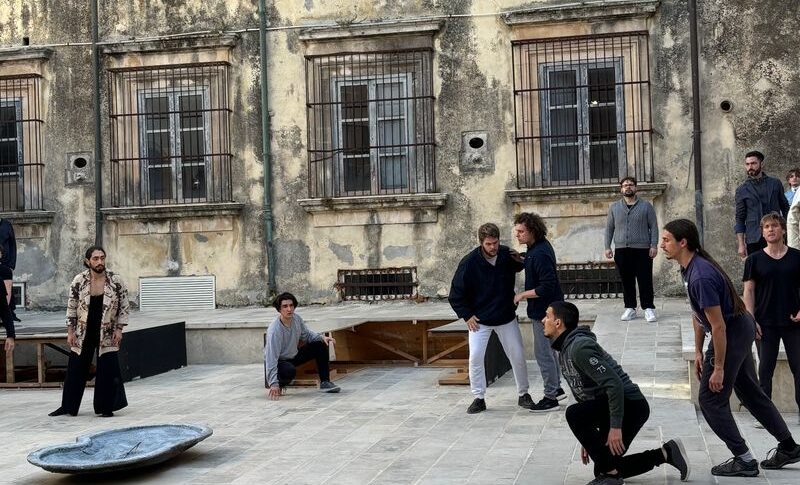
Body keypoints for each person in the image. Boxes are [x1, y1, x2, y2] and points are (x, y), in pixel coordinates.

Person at [661, 219, 800, 477]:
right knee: (750, 393)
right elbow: (698, 314)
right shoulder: (688, 268)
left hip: (731, 332)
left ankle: (745, 460)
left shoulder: (700, 275)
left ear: (683, 243)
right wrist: (699, 351)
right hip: (735, 328)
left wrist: (719, 368)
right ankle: (790, 447)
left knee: (711, 400)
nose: (661, 245)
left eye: (666, 239)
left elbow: (719, 327)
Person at [543, 301, 689, 484]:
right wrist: (589, 439)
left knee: (573, 414)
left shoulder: (578, 348)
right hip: (612, 404)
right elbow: (584, 393)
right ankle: (666, 453)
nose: (543, 320)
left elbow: (614, 384)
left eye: (547, 316)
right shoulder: (565, 349)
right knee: (603, 467)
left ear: (558, 323)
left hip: (630, 405)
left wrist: (615, 427)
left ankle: (612, 477)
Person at [449, 223, 533, 414]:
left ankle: (524, 394)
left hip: (506, 316)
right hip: (480, 321)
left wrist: (522, 258)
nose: (493, 247)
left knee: (518, 355)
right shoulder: (469, 263)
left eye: (495, 243)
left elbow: (522, 264)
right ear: (481, 243)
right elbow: (455, 293)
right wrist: (466, 315)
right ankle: (478, 397)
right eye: (488, 244)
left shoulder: (505, 254)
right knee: (476, 357)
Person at [49, 246, 129, 417]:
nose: (99, 262)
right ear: (87, 261)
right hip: (83, 330)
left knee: (108, 369)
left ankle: (106, 407)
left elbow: (124, 306)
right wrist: (70, 331)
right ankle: (68, 406)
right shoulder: (79, 280)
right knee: (76, 369)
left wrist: (120, 329)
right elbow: (71, 306)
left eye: (102, 258)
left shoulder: (115, 280)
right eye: (95, 259)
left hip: (106, 331)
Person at [743, 212, 800, 413]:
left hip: (794, 323)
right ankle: (765, 414)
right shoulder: (754, 260)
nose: (770, 230)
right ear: (762, 232)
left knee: (799, 369)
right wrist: (751, 320)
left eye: (774, 226)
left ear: (783, 229)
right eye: (766, 227)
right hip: (765, 324)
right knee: (765, 370)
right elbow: (748, 291)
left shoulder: (796, 257)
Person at [513, 212, 566, 412]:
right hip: (547, 309)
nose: (517, 235)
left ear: (532, 231)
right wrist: (522, 258)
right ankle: (557, 389)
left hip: (545, 312)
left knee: (543, 354)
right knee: (550, 353)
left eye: (521, 231)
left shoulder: (540, 253)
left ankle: (550, 397)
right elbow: (532, 260)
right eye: (516, 231)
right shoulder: (536, 248)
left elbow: (547, 286)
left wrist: (521, 295)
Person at [265, 292, 340, 399]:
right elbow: (271, 358)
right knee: (290, 370)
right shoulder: (275, 330)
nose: (289, 309)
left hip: (293, 355)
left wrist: (321, 338)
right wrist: (273, 383)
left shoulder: (296, 319)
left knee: (320, 345)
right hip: (280, 362)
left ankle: (325, 383)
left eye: (291, 305)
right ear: (279, 310)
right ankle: (280, 385)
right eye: (285, 306)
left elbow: (307, 334)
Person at [604, 177, 659, 322]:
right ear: (621, 189)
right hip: (622, 250)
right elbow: (609, 228)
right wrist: (607, 247)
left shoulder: (646, 206)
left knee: (644, 279)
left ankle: (648, 308)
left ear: (636, 188)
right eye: (625, 185)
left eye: (631, 185)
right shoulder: (614, 208)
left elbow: (653, 226)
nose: (628, 187)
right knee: (626, 280)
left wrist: (654, 245)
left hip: (642, 250)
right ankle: (630, 308)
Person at [735, 150, 789, 258]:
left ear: (761, 164)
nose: (750, 166)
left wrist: (787, 231)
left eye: (753, 163)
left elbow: (786, 209)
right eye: (747, 164)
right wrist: (741, 244)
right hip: (754, 239)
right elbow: (740, 218)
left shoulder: (775, 183)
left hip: (777, 235)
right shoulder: (742, 190)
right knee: (758, 272)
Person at [0, 218, 18, 322]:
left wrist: (12, 264)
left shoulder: (7, 225)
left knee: (7, 290)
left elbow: (12, 245)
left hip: (5, 263)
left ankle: (8, 314)